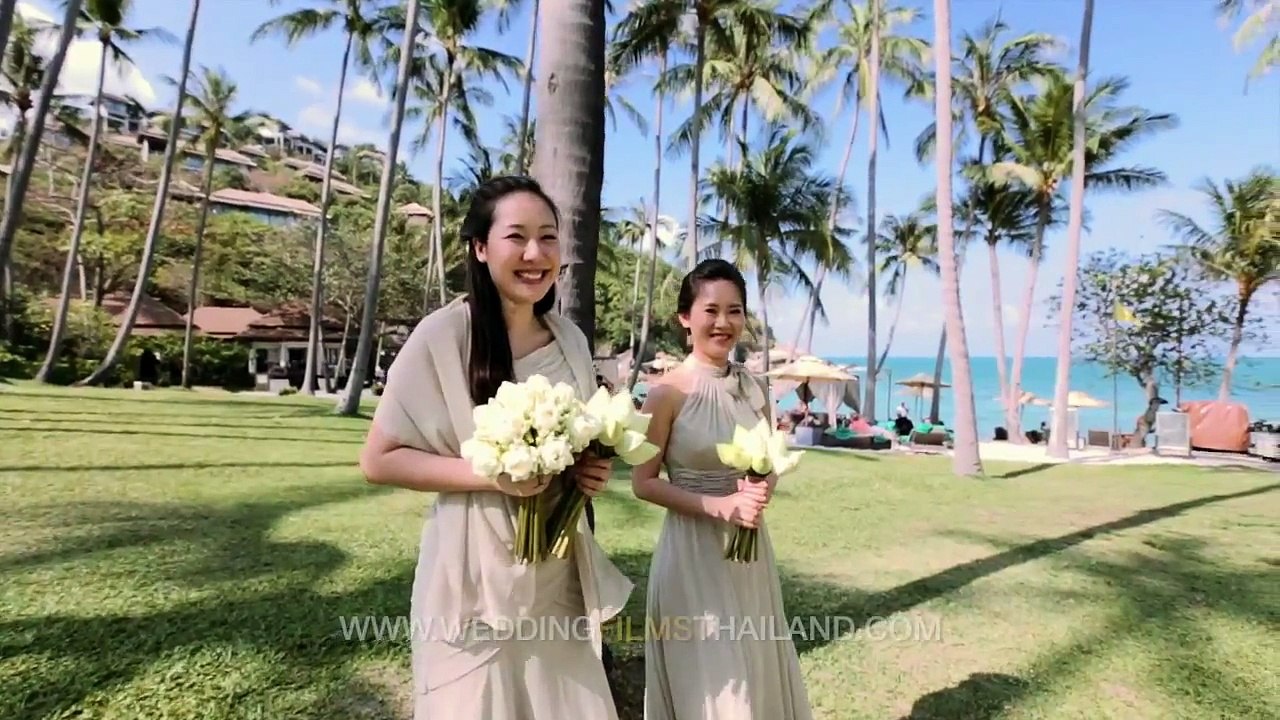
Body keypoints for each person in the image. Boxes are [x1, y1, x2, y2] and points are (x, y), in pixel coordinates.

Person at [358, 176, 632, 719]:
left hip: (556, 570)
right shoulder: (443, 336)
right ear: (481, 249)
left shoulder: (571, 340)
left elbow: (580, 438)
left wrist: (588, 473)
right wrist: (494, 476)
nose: (535, 254)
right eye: (517, 237)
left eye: (549, 238)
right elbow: (379, 459)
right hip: (471, 579)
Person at [631, 258, 813, 720]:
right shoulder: (666, 393)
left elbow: (768, 460)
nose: (723, 322)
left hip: (750, 559)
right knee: (712, 686)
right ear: (685, 318)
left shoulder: (756, 388)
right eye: (711, 310)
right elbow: (643, 482)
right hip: (692, 557)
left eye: (735, 311)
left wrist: (761, 489)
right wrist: (720, 505)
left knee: (754, 676)